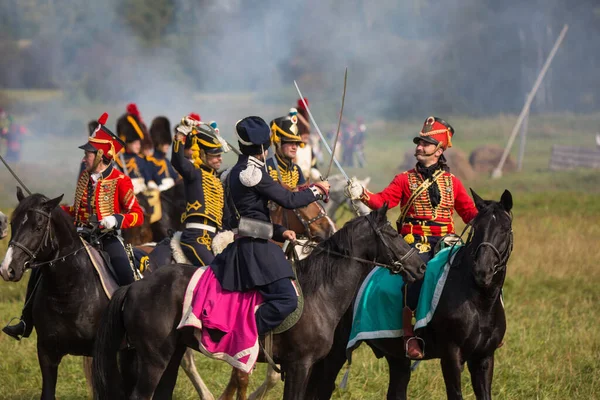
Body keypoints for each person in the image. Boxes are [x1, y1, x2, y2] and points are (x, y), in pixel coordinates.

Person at [345, 116, 478, 359]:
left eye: (426, 143)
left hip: (448, 243)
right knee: (417, 275)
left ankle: (485, 326)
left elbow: (470, 214)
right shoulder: (404, 179)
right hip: (415, 243)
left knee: (479, 269)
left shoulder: (453, 183)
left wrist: (491, 220)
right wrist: (362, 193)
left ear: (439, 150)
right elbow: (382, 202)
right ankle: (410, 335)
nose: (419, 147)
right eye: (419, 142)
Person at [2, 113, 145, 340]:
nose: (84, 159)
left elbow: (137, 215)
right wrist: (50, 210)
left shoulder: (120, 181)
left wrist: (115, 220)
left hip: (107, 239)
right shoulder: (85, 179)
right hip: (79, 237)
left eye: (88, 154)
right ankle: (25, 320)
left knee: (126, 274)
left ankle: (133, 328)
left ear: (101, 155)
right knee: (40, 268)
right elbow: (75, 211)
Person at [211, 116, 330, 335]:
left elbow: (246, 220)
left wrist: (279, 231)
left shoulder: (233, 172)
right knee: (287, 299)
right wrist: (317, 190)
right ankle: (243, 335)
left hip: (247, 240)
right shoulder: (252, 173)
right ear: (265, 147)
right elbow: (289, 200)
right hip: (255, 249)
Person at [171, 117, 226, 266]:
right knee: (215, 272)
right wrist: (181, 135)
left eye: (220, 155)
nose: (219, 159)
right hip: (195, 238)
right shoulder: (194, 172)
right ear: (202, 154)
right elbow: (177, 161)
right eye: (215, 156)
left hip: (213, 236)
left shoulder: (216, 179)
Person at [115, 103, 157, 194]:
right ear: (128, 143)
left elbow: (147, 177)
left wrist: (151, 184)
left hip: (143, 193)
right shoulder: (119, 160)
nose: (138, 146)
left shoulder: (140, 159)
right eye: (135, 143)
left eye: (139, 143)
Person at [267, 110, 306, 188]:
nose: (294, 147)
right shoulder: (266, 168)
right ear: (278, 142)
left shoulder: (296, 170)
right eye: (290, 142)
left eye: (296, 143)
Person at [146, 116, 179, 191]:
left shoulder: (166, 161)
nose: (167, 145)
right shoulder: (149, 161)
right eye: (164, 143)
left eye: (167, 143)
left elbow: (175, 178)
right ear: (158, 142)